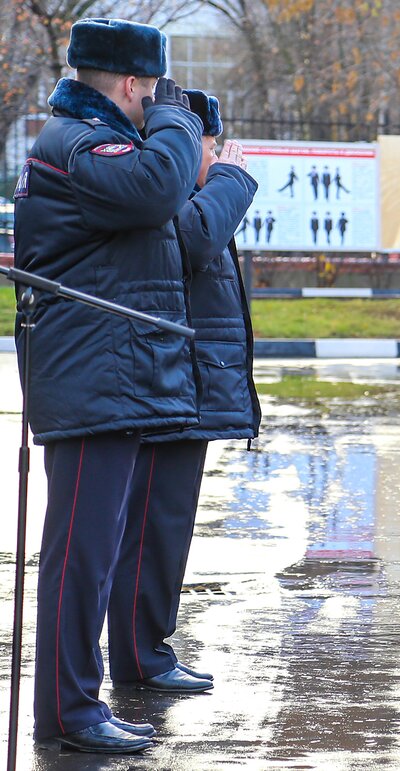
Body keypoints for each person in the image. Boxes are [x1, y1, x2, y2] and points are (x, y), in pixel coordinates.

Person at [14, 17, 202, 753]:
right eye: (151, 91)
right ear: (130, 84)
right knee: (80, 555)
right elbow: (159, 188)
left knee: (91, 551)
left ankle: (78, 700)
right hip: (94, 376)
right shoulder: (82, 144)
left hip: (108, 374)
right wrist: (178, 122)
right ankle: (68, 710)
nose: (156, 102)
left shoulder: (85, 142)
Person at [108, 88, 258, 698]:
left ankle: (145, 648)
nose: (219, 156)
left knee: (163, 527)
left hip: (185, 385)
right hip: (165, 386)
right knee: (152, 526)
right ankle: (140, 655)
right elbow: (192, 243)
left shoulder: (186, 192)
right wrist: (232, 182)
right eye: (211, 146)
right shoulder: (172, 194)